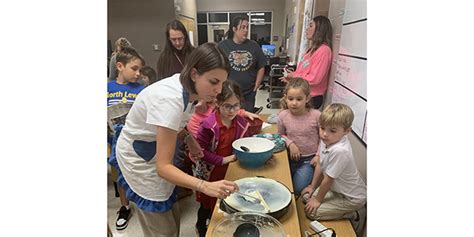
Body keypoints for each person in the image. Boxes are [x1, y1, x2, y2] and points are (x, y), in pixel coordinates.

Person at [114, 42, 238, 237]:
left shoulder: (188, 90)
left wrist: (189, 139)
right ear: (195, 74)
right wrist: (204, 186)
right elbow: (163, 168)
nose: (219, 89)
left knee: (172, 216)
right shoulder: (169, 99)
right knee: (162, 229)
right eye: (214, 82)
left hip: (155, 152)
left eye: (222, 82)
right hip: (139, 161)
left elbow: (175, 125)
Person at [192, 80, 254, 236]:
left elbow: (245, 145)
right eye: (227, 106)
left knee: (225, 201)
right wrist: (223, 160)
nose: (232, 110)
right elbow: (200, 152)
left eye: (236, 105)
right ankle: (201, 226)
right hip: (210, 172)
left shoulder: (241, 123)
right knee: (206, 204)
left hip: (230, 170)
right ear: (217, 102)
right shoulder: (208, 125)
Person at [301, 103, 366, 226]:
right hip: (336, 190)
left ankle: (355, 214)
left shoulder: (340, 150)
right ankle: (333, 205)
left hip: (352, 198)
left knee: (311, 213)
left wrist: (318, 200)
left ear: (347, 131)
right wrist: (312, 186)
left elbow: (328, 179)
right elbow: (319, 164)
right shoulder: (328, 140)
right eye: (322, 128)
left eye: (332, 130)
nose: (324, 133)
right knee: (306, 198)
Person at [107, 47, 146, 230]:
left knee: (138, 173)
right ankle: (124, 207)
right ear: (120, 66)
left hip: (135, 142)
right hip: (113, 141)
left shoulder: (141, 89)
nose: (138, 73)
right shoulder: (107, 89)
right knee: (119, 177)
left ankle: (143, 204)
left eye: (140, 70)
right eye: (134, 68)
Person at [277, 78, 321, 194]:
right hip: (288, 158)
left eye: (299, 99)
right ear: (285, 98)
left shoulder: (316, 115)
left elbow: (324, 139)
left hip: (308, 160)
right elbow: (280, 135)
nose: (294, 103)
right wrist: (290, 143)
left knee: (296, 189)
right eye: (290, 99)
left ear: (307, 98)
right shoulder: (283, 116)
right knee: (282, 183)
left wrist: (318, 155)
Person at [281, 16, 333, 109]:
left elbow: (314, 79)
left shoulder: (324, 51)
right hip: (301, 94)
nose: (307, 29)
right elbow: (302, 73)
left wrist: (294, 76)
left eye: (310, 26)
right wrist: (291, 79)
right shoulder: (310, 50)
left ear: (319, 30)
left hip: (311, 97)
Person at [218, 16, 266, 113]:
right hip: (229, 92)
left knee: (247, 119)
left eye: (247, 27)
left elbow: (261, 67)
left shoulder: (254, 46)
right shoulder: (222, 46)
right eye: (243, 27)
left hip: (249, 93)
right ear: (234, 29)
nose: (246, 30)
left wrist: (256, 86)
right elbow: (216, 67)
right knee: (230, 118)